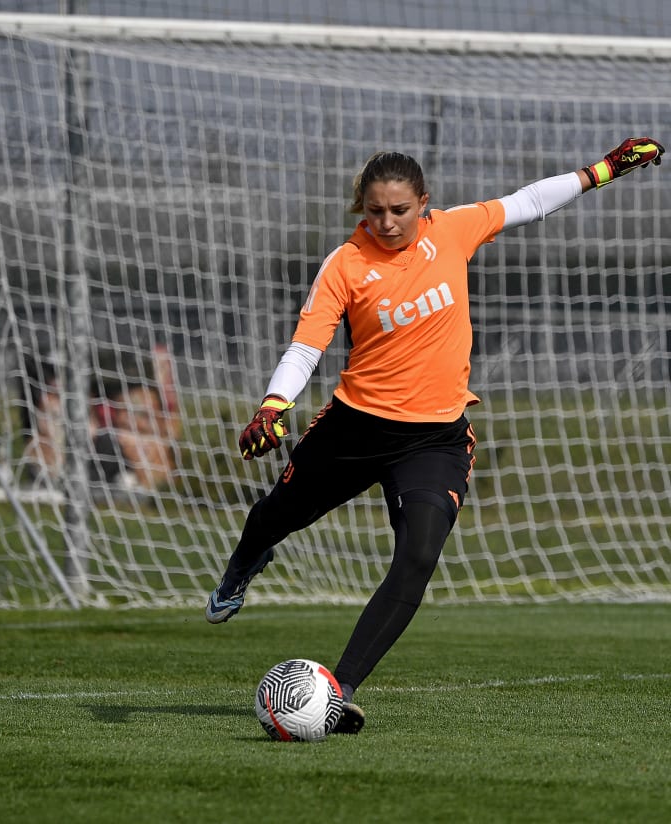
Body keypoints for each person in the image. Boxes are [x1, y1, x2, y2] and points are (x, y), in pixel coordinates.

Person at [205, 136, 664, 734]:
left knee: (418, 554)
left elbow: (529, 201)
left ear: (424, 203)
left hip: (435, 439)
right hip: (355, 428)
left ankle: (338, 690)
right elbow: (306, 344)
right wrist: (273, 404)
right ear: (360, 210)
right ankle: (243, 565)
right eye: (375, 211)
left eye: (400, 209)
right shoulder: (346, 264)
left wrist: (603, 170)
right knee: (272, 520)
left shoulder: (452, 230)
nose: (388, 221)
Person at [89, 344, 181, 491]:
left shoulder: (151, 397)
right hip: (111, 442)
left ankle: (152, 487)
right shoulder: (103, 400)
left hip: (134, 440)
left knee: (148, 444)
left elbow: (170, 428)